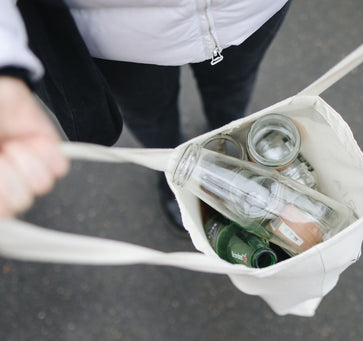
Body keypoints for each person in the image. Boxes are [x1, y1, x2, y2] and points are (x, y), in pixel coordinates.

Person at [0, 0, 290, 233]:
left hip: (250, 12)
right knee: (151, 119)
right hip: (119, 35)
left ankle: (231, 148)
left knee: (232, 94)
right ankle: (172, 168)